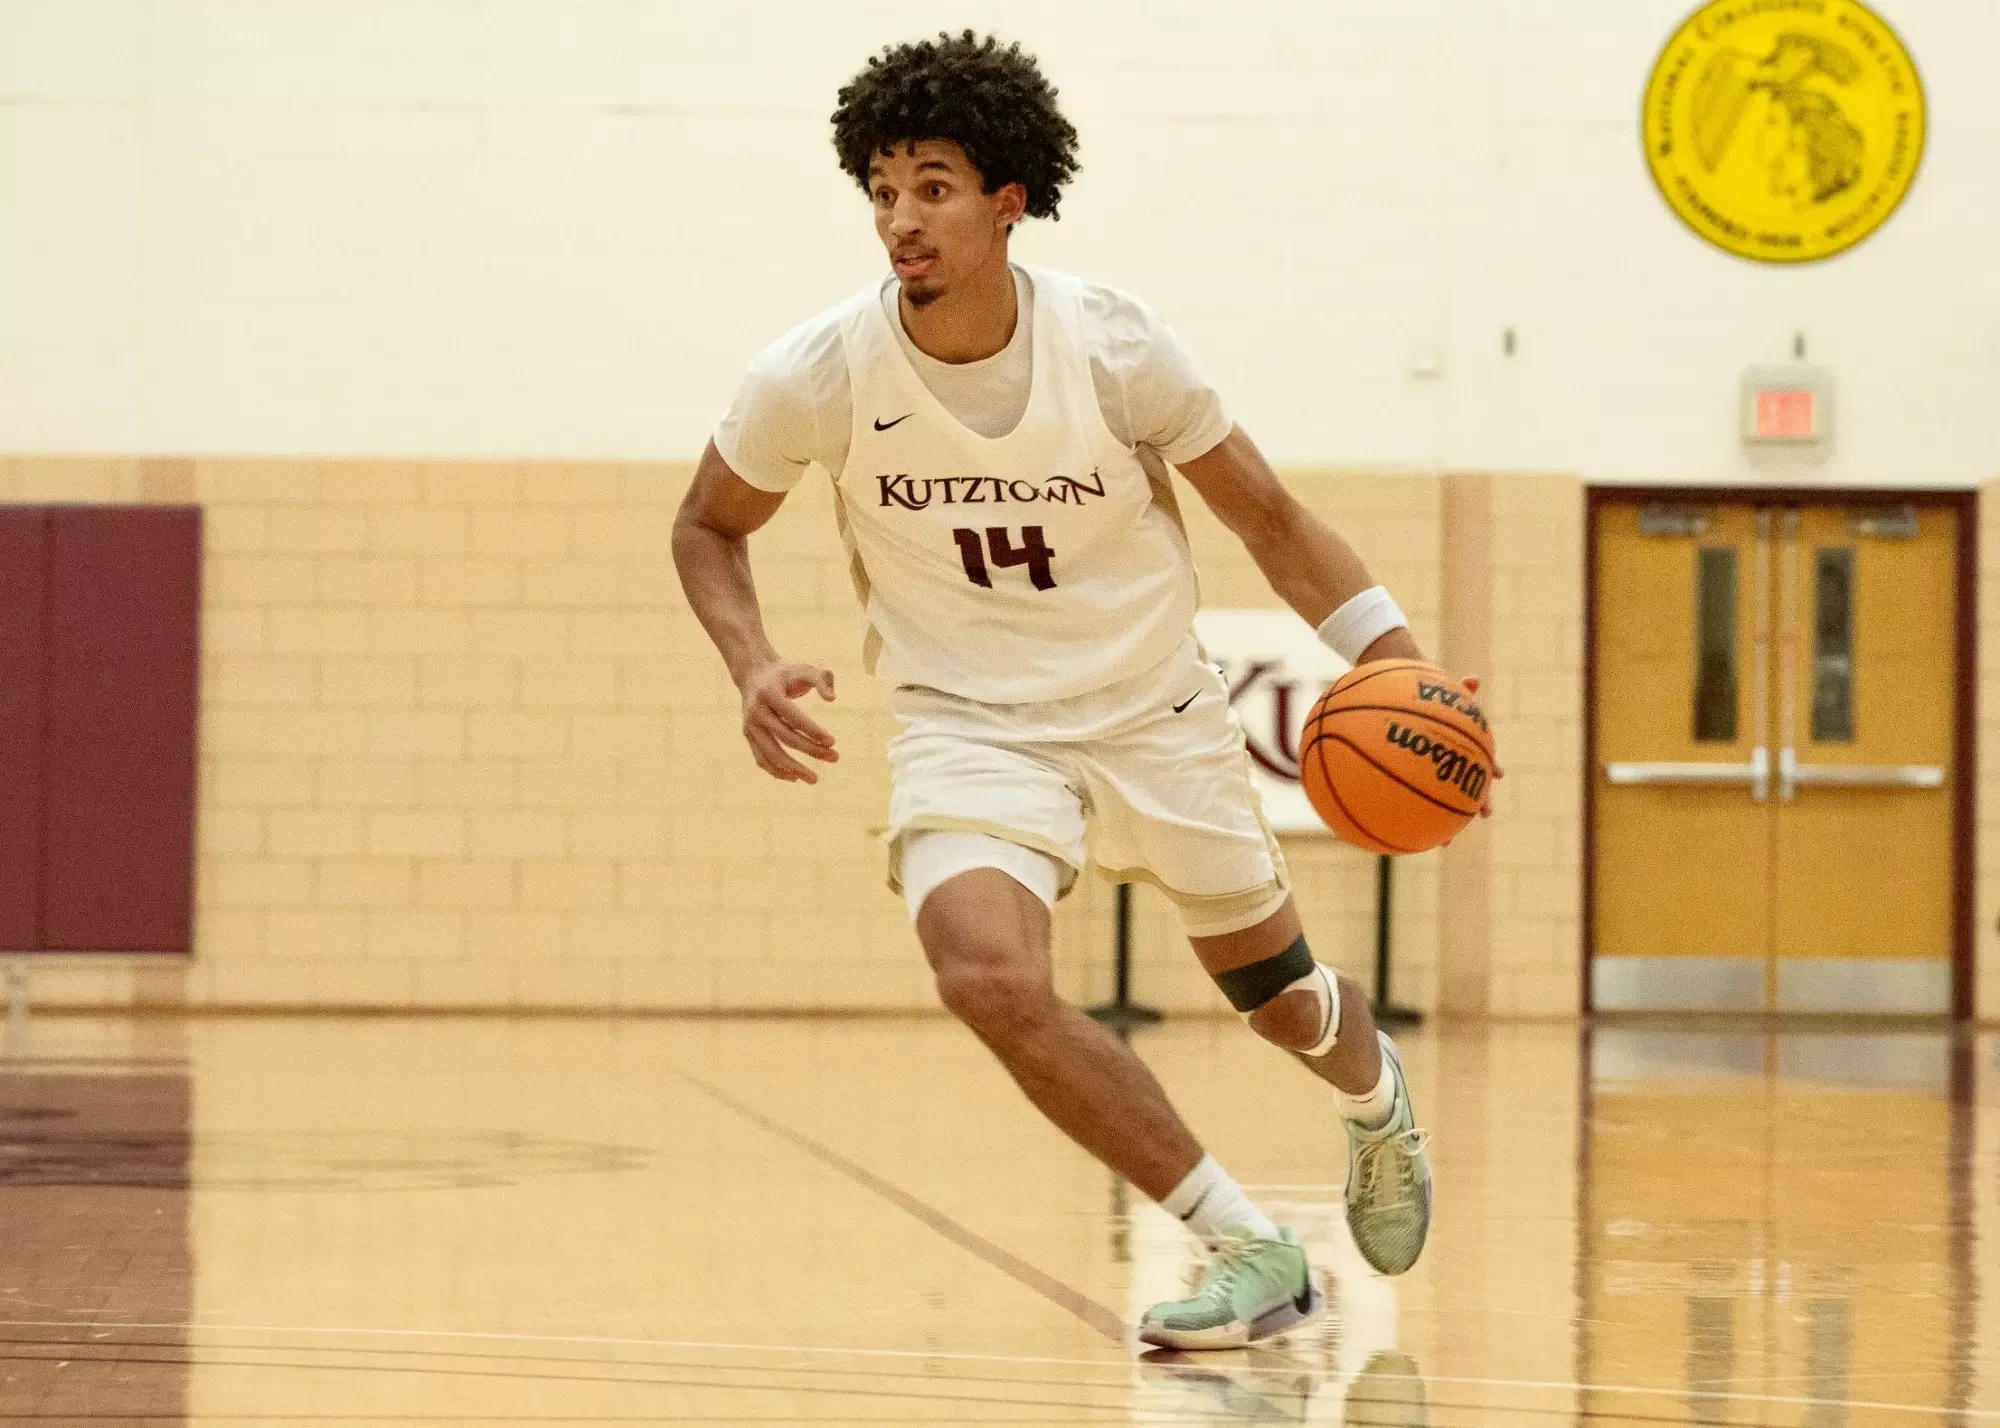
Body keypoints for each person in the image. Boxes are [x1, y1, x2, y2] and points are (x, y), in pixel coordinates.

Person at [673, 30, 1453, 1350]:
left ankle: (1376, 1102)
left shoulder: (1112, 347)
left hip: (1154, 714)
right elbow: (706, 524)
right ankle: (1246, 1243)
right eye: (882, 190)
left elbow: (1269, 519)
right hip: (970, 728)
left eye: (932, 186)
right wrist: (750, 663)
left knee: (1286, 1005)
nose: (900, 218)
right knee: (984, 975)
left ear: (1008, 199)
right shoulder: (815, 373)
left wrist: (1394, 660)